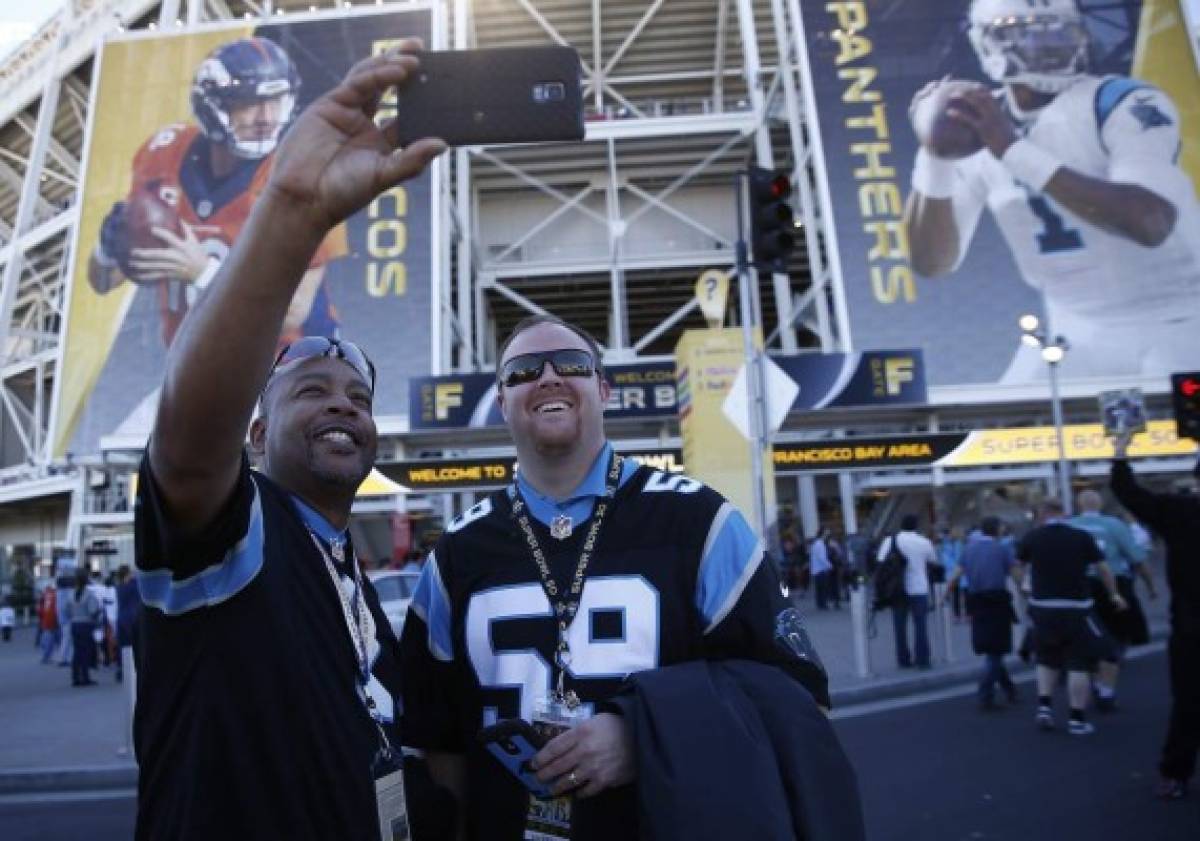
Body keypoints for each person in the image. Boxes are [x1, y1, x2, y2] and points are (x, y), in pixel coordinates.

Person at [130, 43, 448, 840]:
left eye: (358, 397)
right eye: (311, 391)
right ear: (260, 433)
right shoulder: (238, 536)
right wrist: (292, 208)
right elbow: (189, 446)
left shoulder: (347, 569)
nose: (343, 405)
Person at [399, 314, 835, 840]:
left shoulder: (702, 523)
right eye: (523, 371)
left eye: (573, 365)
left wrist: (644, 732)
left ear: (603, 390)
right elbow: (438, 736)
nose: (549, 377)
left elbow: (798, 697)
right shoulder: (456, 552)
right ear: (501, 402)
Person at [904, 0, 1200, 383]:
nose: (1046, 45)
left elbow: (1151, 222)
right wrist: (933, 157)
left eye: (1056, 31)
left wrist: (1013, 150)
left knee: (1180, 438)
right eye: (1026, 34)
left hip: (1179, 320)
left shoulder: (1121, 102)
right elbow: (933, 261)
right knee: (998, 437)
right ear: (986, 44)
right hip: (1074, 331)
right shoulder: (976, 121)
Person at [88, 36, 343, 350]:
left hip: (288, 368)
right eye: (249, 103)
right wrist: (107, 249)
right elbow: (102, 282)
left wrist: (202, 273)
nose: (265, 118)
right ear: (212, 106)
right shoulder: (163, 155)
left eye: (275, 101)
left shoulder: (304, 177)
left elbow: (291, 313)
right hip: (196, 367)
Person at [1110, 431, 1200, 800]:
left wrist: (1120, 450)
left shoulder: (1180, 511)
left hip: (1191, 624)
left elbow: (1129, 492)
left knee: (1189, 702)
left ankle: (1175, 774)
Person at [1016, 499, 1126, 736]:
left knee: (1046, 659)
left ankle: (1044, 707)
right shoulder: (1081, 537)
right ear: (1063, 513)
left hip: (1042, 607)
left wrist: (1024, 588)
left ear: (1043, 514)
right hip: (1076, 607)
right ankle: (1077, 719)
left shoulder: (1032, 538)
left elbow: (1018, 566)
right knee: (1079, 664)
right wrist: (1114, 594)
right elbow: (1103, 568)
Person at [1069, 488, 1154, 710]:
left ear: (1079, 505)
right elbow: (1137, 558)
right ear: (1099, 505)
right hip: (1114, 585)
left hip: (1081, 587)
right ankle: (1106, 686)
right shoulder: (1115, 525)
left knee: (1088, 634)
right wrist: (1151, 587)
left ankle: (1097, 676)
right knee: (1118, 634)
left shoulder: (1071, 526)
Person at [948, 517, 1018, 710]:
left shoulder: (968, 549)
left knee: (990, 646)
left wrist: (945, 593)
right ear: (996, 529)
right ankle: (985, 692)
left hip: (976, 602)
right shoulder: (1002, 549)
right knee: (997, 648)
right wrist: (1025, 591)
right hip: (997, 600)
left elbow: (956, 574)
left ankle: (1009, 688)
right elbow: (1015, 573)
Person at [877, 514, 936, 669]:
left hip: (897, 589)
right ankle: (922, 658)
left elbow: (880, 561)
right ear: (916, 525)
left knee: (900, 626)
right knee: (920, 625)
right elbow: (933, 560)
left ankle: (903, 658)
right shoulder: (924, 542)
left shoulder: (891, 541)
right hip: (919, 587)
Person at [66, 568, 101, 687]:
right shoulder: (89, 594)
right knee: (85, 652)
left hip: (74, 624)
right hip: (86, 625)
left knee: (77, 652)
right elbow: (92, 610)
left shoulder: (71, 594)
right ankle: (85, 677)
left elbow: (67, 611)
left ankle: (75, 677)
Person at [940, 527, 966, 621]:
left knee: (965, 593)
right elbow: (945, 559)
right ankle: (957, 614)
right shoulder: (946, 545)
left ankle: (967, 614)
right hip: (954, 572)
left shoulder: (960, 544)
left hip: (961, 571)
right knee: (956, 593)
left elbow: (963, 557)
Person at [811, 528, 838, 609]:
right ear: (823, 534)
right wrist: (829, 565)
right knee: (823, 588)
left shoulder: (815, 544)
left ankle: (820, 603)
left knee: (819, 588)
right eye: (826, 534)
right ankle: (823, 604)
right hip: (821, 569)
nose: (827, 535)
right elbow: (822, 557)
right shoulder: (820, 544)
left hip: (816, 569)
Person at [37, 582, 59, 663]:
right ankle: (46, 657)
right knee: (51, 639)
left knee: (47, 638)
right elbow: (56, 609)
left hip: (46, 620)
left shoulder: (45, 596)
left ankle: (46, 656)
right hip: (53, 620)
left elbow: (39, 609)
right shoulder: (55, 595)